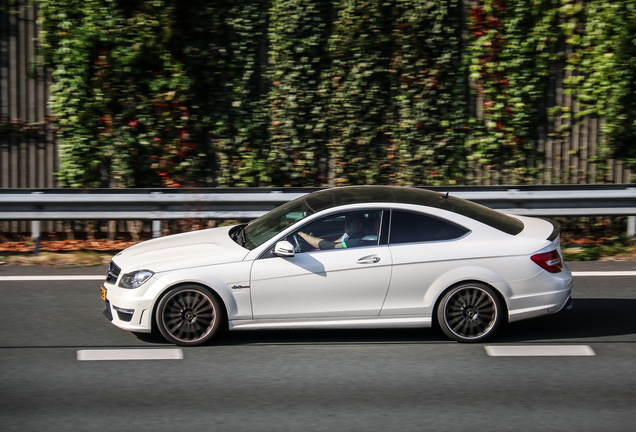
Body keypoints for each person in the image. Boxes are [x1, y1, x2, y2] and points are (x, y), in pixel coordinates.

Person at [298, 213, 365, 250]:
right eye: (346, 220)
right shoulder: (347, 235)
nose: (347, 223)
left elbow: (328, 245)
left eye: (351, 221)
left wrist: (300, 233)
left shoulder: (356, 240)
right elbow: (335, 242)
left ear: (359, 225)